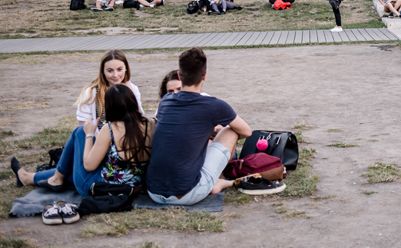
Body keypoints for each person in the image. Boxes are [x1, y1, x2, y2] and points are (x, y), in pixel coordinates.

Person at [149, 48, 275, 204]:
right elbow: (246, 131)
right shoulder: (214, 105)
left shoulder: (165, 102)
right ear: (204, 76)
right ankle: (218, 181)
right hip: (187, 194)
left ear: (180, 76)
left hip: (153, 192)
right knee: (230, 130)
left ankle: (213, 180)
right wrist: (213, 133)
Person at [12, 84, 156, 201]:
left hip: (99, 188)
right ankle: (32, 178)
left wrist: (89, 134)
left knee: (79, 131)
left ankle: (55, 178)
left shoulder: (111, 128)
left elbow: (88, 166)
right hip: (136, 186)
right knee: (71, 169)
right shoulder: (151, 124)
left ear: (110, 106)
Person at [74, 50, 144, 124]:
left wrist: (131, 94)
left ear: (126, 68)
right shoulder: (91, 92)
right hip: (97, 134)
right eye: (110, 71)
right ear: (103, 71)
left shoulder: (132, 88)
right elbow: (82, 123)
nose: (115, 75)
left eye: (119, 69)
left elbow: (140, 118)